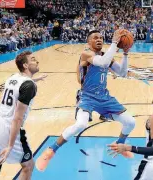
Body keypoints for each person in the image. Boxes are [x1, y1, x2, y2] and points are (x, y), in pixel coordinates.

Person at [36, 29, 136, 171]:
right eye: (95, 37)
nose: (99, 39)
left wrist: (125, 53)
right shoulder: (86, 54)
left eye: (101, 37)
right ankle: (51, 151)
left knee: (130, 122)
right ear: (88, 42)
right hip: (87, 96)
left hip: (104, 97)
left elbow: (122, 72)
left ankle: (120, 144)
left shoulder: (105, 56)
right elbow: (102, 63)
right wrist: (114, 43)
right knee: (81, 124)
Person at [0, 51, 46, 180]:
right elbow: (17, 118)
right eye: (33, 59)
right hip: (8, 128)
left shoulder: (12, 77)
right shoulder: (29, 86)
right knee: (28, 166)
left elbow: (22, 84)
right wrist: (10, 145)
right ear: (25, 65)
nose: (36, 61)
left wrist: (35, 79)